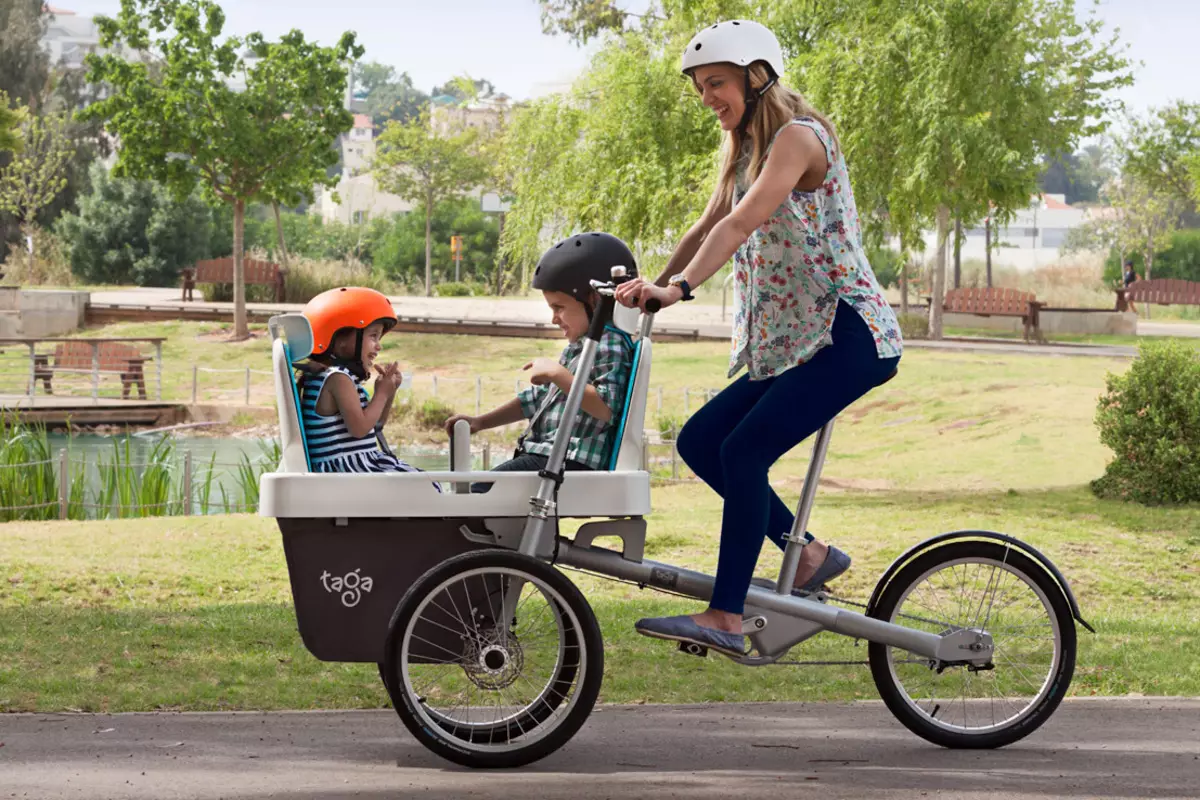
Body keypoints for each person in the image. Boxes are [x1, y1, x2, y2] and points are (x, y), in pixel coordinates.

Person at [615, 20, 903, 657]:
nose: (708, 98)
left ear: (756, 75)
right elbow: (708, 222)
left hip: (847, 330)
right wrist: (651, 289)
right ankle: (812, 557)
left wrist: (682, 290)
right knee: (700, 441)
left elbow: (746, 220)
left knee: (743, 454)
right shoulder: (747, 148)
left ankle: (725, 615)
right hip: (799, 340)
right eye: (700, 89)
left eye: (716, 83)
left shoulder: (798, 139)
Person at [445, 233, 637, 488]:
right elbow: (536, 400)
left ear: (595, 300)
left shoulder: (609, 343)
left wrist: (559, 375)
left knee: (481, 493)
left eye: (559, 307)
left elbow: (606, 408)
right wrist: (481, 422)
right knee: (483, 493)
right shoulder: (580, 347)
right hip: (549, 458)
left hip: (570, 462)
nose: (554, 319)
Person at [296, 286, 422, 475]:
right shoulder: (337, 378)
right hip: (349, 472)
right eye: (373, 336)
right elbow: (359, 429)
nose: (378, 346)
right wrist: (381, 394)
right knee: (428, 486)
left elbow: (375, 424)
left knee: (425, 484)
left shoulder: (330, 377)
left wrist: (388, 392)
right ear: (340, 339)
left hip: (352, 470)